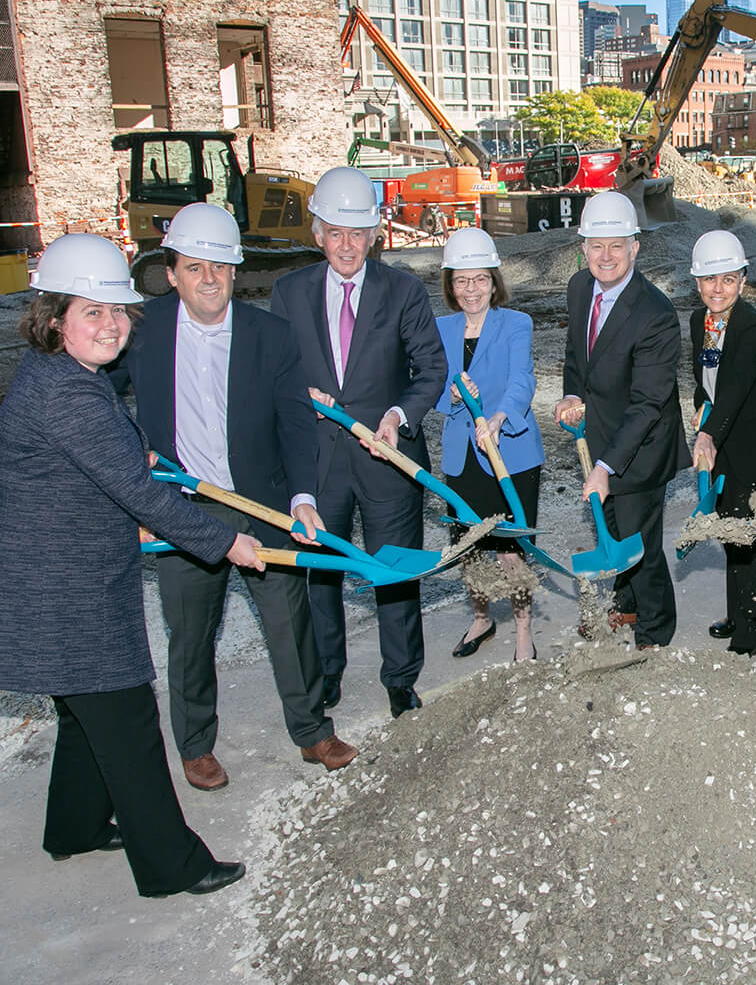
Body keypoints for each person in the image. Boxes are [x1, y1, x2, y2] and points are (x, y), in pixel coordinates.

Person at [0, 233, 258, 897]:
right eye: (93, 312)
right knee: (128, 721)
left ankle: (76, 827)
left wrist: (137, 449)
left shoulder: (62, 373)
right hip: (68, 596)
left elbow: (116, 443)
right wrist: (226, 542)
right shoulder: (67, 394)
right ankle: (173, 865)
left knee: (87, 716)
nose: (112, 325)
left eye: (117, 311)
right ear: (54, 315)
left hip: (65, 581)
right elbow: (141, 497)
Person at [108, 203, 357, 790]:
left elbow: (296, 423)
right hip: (182, 507)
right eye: (195, 268)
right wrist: (129, 457)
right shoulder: (141, 334)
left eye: (219, 266)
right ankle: (195, 745)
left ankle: (312, 730)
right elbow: (96, 397)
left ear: (235, 271)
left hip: (260, 503)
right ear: (172, 274)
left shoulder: (268, 335)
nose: (209, 279)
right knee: (191, 630)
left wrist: (301, 497)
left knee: (288, 622)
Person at [271, 167, 447, 718]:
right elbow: (273, 374)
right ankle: (327, 673)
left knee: (394, 572)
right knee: (320, 573)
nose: (347, 245)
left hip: (387, 460)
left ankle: (400, 676)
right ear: (318, 232)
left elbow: (432, 368)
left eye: (358, 233)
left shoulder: (404, 289)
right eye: (336, 232)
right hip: (319, 462)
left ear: (375, 236)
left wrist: (399, 415)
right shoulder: (289, 292)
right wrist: (299, 390)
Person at [553, 190, 688, 649]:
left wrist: (605, 467)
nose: (605, 256)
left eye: (617, 246)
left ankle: (655, 631)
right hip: (600, 434)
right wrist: (571, 393)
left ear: (635, 248)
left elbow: (649, 404)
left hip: (642, 445)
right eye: (596, 245)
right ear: (583, 248)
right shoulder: (577, 288)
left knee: (641, 543)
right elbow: (576, 353)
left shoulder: (655, 314)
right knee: (613, 530)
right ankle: (625, 606)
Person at [435, 227, 543, 663]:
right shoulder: (440, 328)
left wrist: (498, 416)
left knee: (511, 551)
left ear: (494, 280)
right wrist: (453, 395)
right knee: (468, 545)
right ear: (450, 285)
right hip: (463, 453)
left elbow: (523, 379)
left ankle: (523, 630)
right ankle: (481, 618)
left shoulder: (516, 323)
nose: (471, 289)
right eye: (462, 280)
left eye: (480, 279)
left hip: (510, 450)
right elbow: (429, 386)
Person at [688, 230, 756, 656]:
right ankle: (737, 612)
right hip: (722, 441)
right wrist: (699, 408)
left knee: (754, 538)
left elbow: (738, 387)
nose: (718, 289)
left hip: (755, 445)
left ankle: (754, 631)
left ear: (743, 281)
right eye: (710, 280)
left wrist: (709, 430)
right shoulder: (700, 322)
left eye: (728, 279)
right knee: (731, 532)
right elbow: (708, 381)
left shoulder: (752, 328)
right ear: (697, 284)